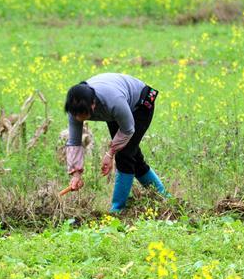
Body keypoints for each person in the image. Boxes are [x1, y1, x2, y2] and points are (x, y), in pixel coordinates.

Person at [63, 73, 167, 212]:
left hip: (140, 103)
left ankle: (117, 210)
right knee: (133, 157)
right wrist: (76, 174)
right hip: (115, 113)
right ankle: (164, 197)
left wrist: (110, 153)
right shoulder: (74, 109)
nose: (79, 119)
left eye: (84, 115)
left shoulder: (113, 101)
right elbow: (75, 142)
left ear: (93, 105)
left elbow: (128, 129)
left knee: (124, 155)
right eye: (77, 116)